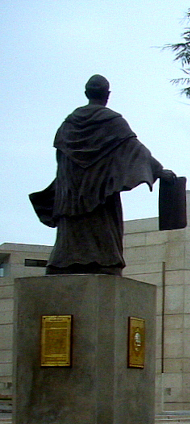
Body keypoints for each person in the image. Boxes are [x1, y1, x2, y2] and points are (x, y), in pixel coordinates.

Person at [30, 75, 175, 275]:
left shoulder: (68, 124)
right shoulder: (112, 122)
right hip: (99, 192)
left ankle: (64, 263)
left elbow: (60, 159)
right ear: (107, 95)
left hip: (71, 194)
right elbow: (134, 149)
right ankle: (103, 263)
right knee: (103, 233)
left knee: (72, 234)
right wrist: (158, 170)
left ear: (86, 94)